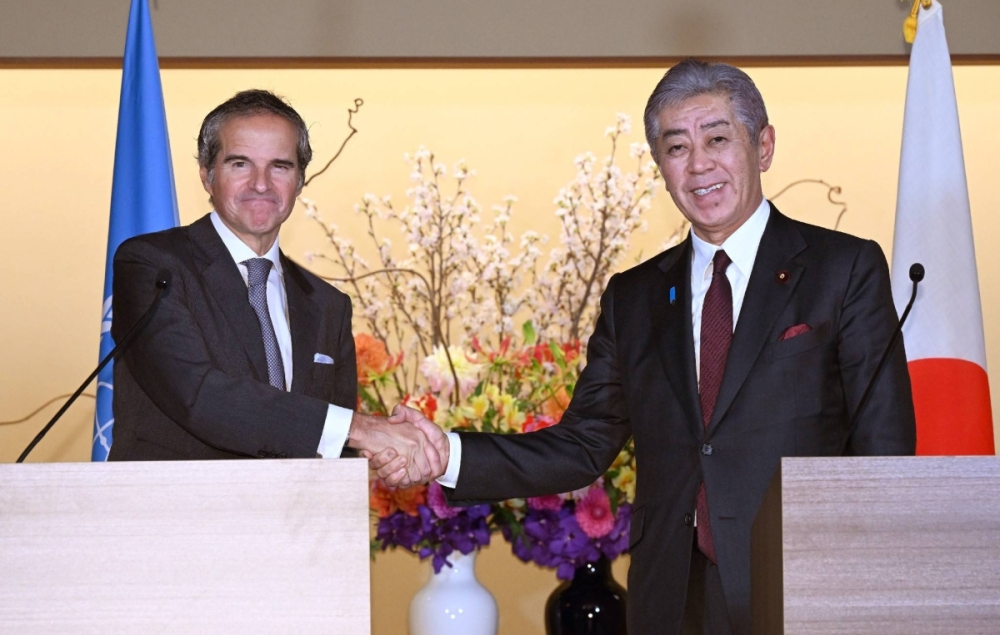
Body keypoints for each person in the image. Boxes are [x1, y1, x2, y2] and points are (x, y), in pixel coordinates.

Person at [372, 60, 917, 635]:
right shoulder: (634, 297)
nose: (699, 164)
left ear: (764, 146)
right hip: (672, 599)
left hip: (805, 588)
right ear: (660, 167)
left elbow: (884, 446)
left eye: (717, 138)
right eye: (676, 147)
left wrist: (872, 591)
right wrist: (447, 455)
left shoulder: (843, 268)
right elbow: (582, 445)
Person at [108, 89, 439, 483]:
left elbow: (327, 444)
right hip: (169, 524)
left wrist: (393, 459)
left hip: (292, 533)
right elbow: (200, 396)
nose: (261, 184)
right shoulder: (153, 265)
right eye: (240, 163)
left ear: (300, 180)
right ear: (206, 174)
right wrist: (365, 429)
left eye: (280, 166)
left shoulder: (327, 304)